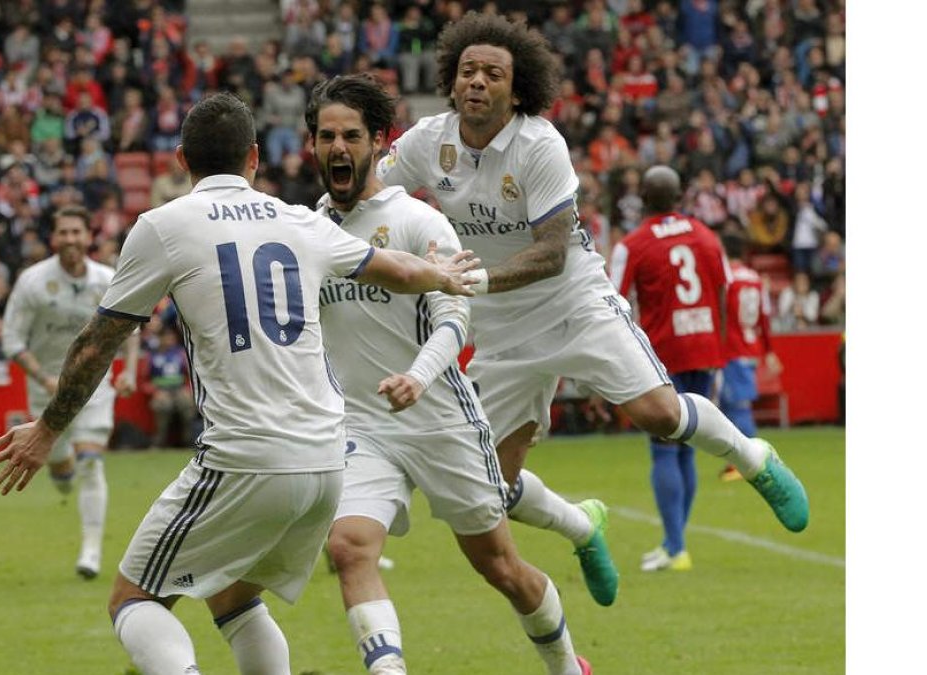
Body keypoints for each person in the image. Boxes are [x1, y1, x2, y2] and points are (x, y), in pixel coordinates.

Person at [0, 92, 480, 675]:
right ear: (253, 158)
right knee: (233, 595)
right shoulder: (299, 219)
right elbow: (393, 267)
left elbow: (99, 340)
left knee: (133, 600)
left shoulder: (163, 226)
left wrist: (47, 427)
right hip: (326, 463)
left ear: (179, 160)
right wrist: (442, 274)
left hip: (247, 455)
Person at [377, 12, 808, 579]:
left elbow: (552, 251)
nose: (477, 82)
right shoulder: (428, 141)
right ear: (451, 81)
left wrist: (468, 279)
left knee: (659, 413)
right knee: (488, 490)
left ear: (517, 89)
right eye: (467, 71)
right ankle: (582, 525)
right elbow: (371, 194)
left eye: (493, 74)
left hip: (572, 301)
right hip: (502, 327)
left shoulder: (539, 144)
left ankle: (753, 458)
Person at [308, 74, 595, 675]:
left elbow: (454, 314)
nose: (338, 147)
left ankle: (569, 666)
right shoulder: (310, 230)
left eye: (352, 136)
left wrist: (418, 375)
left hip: (441, 420)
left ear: (378, 142)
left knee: (502, 569)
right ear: (311, 144)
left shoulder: (418, 221)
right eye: (326, 136)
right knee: (349, 548)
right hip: (363, 423)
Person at [0, 205, 140, 580]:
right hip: (45, 388)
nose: (71, 239)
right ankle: (62, 475)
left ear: (88, 236)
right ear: (53, 238)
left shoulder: (108, 279)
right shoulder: (32, 282)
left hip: (95, 386)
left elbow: (132, 330)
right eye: (63, 232)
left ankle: (91, 552)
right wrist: (44, 378)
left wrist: (126, 371)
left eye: (77, 232)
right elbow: (12, 339)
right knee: (61, 466)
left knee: (92, 462)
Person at [608, 167, 727, 571]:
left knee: (663, 448)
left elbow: (613, 303)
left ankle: (675, 546)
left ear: (642, 196)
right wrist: (719, 352)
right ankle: (674, 542)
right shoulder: (707, 236)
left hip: (662, 355)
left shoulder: (633, 245)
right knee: (688, 446)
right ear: (681, 196)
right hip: (705, 348)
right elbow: (722, 290)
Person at [716, 233, 782, 482]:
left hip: (732, 349)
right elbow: (764, 317)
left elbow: (721, 315)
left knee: (737, 408)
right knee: (732, 406)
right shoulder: (755, 279)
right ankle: (741, 461)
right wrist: (769, 351)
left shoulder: (728, 279)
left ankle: (752, 464)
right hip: (751, 347)